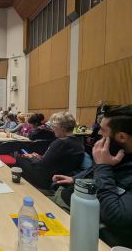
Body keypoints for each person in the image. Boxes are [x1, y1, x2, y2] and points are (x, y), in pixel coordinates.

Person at [52, 106, 132, 248]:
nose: (98, 133)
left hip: (86, 231)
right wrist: (75, 179)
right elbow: (97, 171)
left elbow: (115, 216)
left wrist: (103, 166)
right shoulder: (118, 153)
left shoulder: (108, 161)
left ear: (121, 137)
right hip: (70, 204)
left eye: (102, 130)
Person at [18, 111, 84, 190]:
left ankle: (27, 189)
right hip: (64, 176)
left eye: (54, 126)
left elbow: (41, 166)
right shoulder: (78, 142)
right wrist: (38, 157)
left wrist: (32, 157)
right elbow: (55, 160)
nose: (52, 129)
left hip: (49, 179)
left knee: (20, 159)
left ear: (62, 127)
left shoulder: (60, 143)